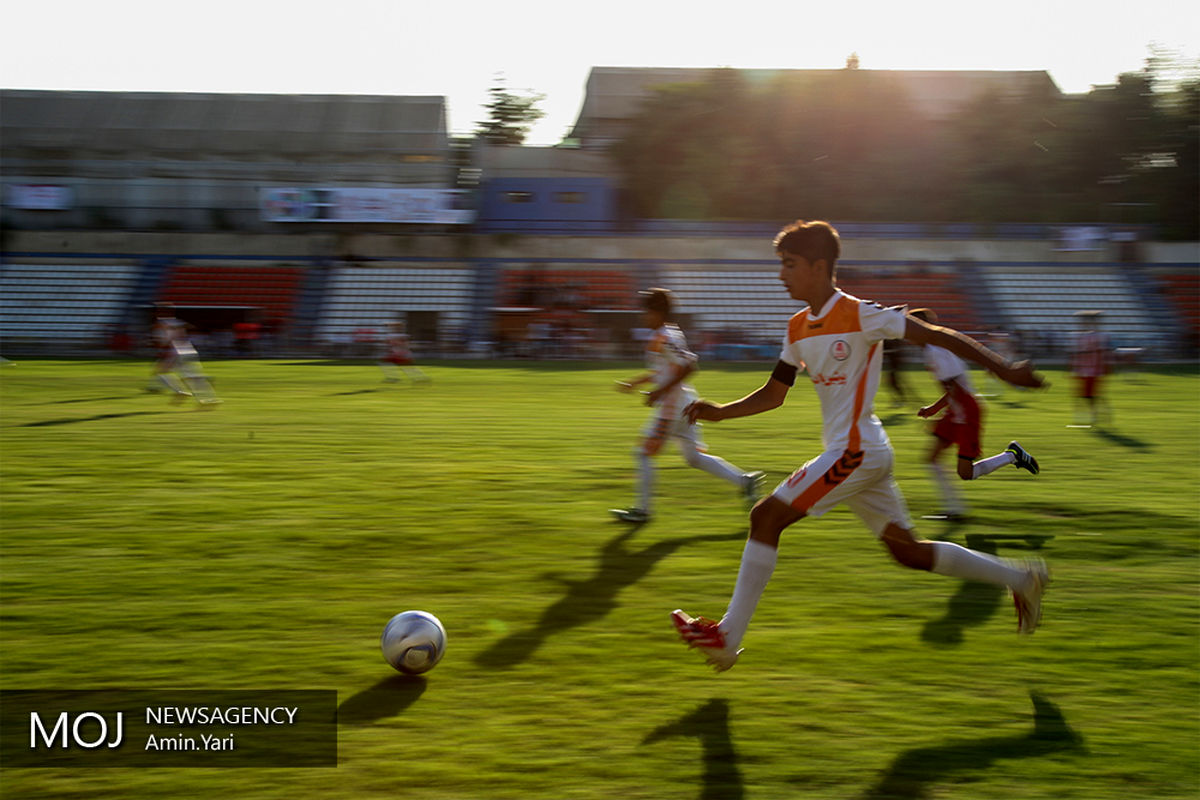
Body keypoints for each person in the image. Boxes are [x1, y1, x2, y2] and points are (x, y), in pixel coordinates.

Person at [671, 220, 1048, 672]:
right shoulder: (796, 328)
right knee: (907, 553)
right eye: (781, 265)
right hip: (862, 452)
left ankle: (728, 638)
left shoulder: (860, 313)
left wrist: (1002, 368)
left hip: (855, 453)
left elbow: (936, 334)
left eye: (789, 265)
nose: (781, 275)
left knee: (765, 516)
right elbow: (774, 394)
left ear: (819, 266)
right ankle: (1023, 579)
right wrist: (718, 412)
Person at [610, 288, 765, 525]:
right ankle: (744, 480)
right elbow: (664, 370)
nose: (643, 317)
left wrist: (660, 392)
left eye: (646, 312)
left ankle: (642, 510)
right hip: (685, 407)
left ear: (657, 312)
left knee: (642, 453)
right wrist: (634, 382)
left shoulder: (664, 337)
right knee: (693, 458)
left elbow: (690, 365)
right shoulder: (669, 334)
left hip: (671, 411)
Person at [909, 307, 1039, 521]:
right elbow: (954, 389)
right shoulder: (933, 349)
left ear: (920, 329)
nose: (907, 334)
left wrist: (935, 410)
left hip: (966, 411)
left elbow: (956, 390)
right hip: (958, 409)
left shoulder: (936, 351)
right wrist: (939, 411)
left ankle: (1012, 455)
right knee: (931, 458)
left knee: (965, 473)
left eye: (910, 328)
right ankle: (953, 509)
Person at [1069, 310, 1110, 427]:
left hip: (1093, 370)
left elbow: (1101, 353)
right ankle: (1090, 415)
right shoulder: (1079, 336)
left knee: (1090, 395)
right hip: (1083, 370)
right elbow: (1074, 354)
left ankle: (1095, 415)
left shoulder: (1098, 337)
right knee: (1082, 394)